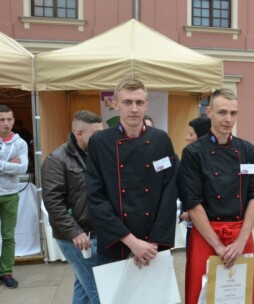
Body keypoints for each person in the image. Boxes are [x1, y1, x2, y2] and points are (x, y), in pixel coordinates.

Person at [178, 88, 254, 304]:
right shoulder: (193, 153)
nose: (228, 119)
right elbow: (193, 202)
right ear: (209, 112)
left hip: (240, 235)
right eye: (222, 112)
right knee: (204, 296)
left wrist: (241, 241)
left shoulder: (248, 150)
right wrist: (218, 246)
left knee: (240, 296)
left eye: (233, 113)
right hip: (207, 236)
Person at [85, 78, 178, 267]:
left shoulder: (161, 140)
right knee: (116, 297)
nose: (134, 109)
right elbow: (95, 196)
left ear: (146, 105)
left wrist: (153, 242)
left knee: (154, 297)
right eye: (127, 102)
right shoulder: (100, 142)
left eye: (139, 102)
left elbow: (169, 192)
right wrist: (131, 242)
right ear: (115, 104)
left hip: (153, 244)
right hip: (116, 243)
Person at [41, 110, 103, 304]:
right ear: (79, 134)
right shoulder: (56, 160)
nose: (101, 138)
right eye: (96, 134)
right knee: (99, 292)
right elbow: (53, 202)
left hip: (96, 233)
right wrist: (75, 232)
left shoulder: (97, 154)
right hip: (76, 238)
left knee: (83, 288)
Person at [0, 105, 28, 289]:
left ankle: (6, 272)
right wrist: (10, 164)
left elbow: (23, 168)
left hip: (10, 194)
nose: (6, 123)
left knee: (8, 236)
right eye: (2, 119)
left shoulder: (20, 143)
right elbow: (16, 167)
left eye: (9, 119)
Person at [179, 117, 211, 249]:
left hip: (208, 228)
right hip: (191, 227)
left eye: (191, 134)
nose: (187, 138)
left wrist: (193, 213)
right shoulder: (188, 157)